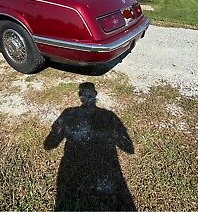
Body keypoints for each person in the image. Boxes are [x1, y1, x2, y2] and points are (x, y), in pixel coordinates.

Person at [44, 82, 136, 211]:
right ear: (95, 95)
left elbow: (49, 144)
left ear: (79, 95)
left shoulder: (68, 113)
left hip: (74, 174)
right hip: (104, 177)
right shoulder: (109, 116)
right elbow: (129, 148)